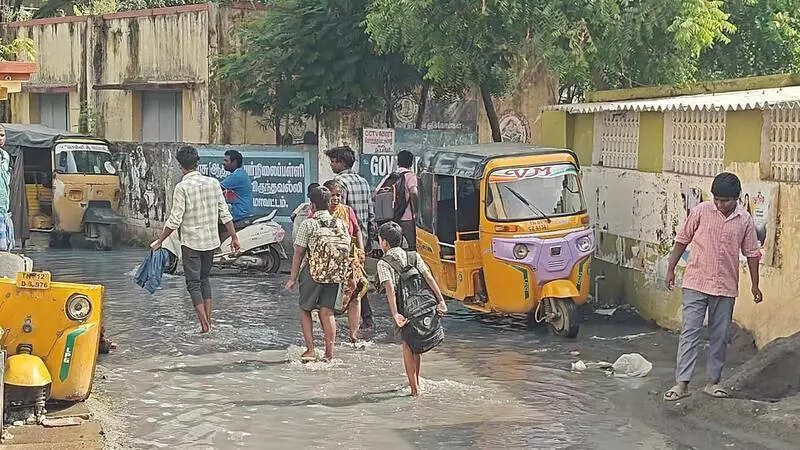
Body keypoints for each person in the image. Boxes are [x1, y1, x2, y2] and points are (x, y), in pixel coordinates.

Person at [663, 172, 763, 402]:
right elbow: (682, 240)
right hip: (696, 281)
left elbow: (752, 253)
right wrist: (670, 269)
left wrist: (755, 286)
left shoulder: (745, 220)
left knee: (719, 336)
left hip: (725, 286)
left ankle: (713, 382)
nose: (720, 204)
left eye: (725, 200)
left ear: (737, 197)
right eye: (716, 199)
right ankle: (682, 384)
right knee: (690, 332)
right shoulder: (700, 212)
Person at [152, 146, 241, 333]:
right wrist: (234, 237)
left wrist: (160, 240)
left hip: (191, 243)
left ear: (180, 166)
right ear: (197, 163)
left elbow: (175, 220)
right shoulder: (213, 183)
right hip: (210, 242)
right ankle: (209, 322)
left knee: (193, 283)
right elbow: (224, 214)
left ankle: (204, 326)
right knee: (204, 279)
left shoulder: (182, 187)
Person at [377, 222, 446, 397]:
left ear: (384, 243)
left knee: (407, 346)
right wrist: (441, 300)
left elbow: (390, 289)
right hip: (422, 307)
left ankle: (414, 390)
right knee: (417, 345)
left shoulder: (383, 263)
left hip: (404, 309)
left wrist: (395, 314)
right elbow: (428, 277)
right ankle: (417, 382)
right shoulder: (414, 256)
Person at [284, 186, 347, 362]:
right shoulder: (341, 223)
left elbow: (298, 253)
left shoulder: (308, 224)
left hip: (312, 273)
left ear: (312, 205)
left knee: (305, 309)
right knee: (328, 313)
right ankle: (329, 354)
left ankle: (311, 349)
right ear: (329, 203)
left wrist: (292, 278)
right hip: (335, 274)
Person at [325, 145, 376, 331]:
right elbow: (371, 212)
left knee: (350, 279)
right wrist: (371, 239)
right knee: (357, 277)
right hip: (361, 238)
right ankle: (364, 318)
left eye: (332, 161)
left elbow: (340, 213)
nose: (331, 165)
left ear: (340, 162)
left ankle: (341, 316)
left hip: (346, 239)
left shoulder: (339, 182)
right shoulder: (362, 181)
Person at [324, 179, 368, 344]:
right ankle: (329, 338)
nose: (336, 199)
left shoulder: (348, 211)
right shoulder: (320, 214)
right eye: (332, 195)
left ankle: (354, 335)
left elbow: (357, 232)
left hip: (350, 261)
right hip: (330, 263)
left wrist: (362, 250)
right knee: (328, 300)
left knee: (355, 296)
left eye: (338, 195)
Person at [374, 150, 418, 249]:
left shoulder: (390, 176)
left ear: (398, 162)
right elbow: (414, 192)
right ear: (411, 163)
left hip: (390, 217)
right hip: (407, 218)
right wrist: (416, 210)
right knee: (411, 246)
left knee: (393, 245)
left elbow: (375, 194)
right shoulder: (410, 176)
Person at [221, 150, 253, 222]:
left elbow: (216, 189)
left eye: (226, 161)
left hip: (239, 215)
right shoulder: (240, 173)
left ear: (234, 162)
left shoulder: (237, 176)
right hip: (242, 212)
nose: (223, 163)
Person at [0, 125, 14, 251]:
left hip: (3, 208)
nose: (0, 138)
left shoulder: (5, 156)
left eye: (2, 135)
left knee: (4, 248)